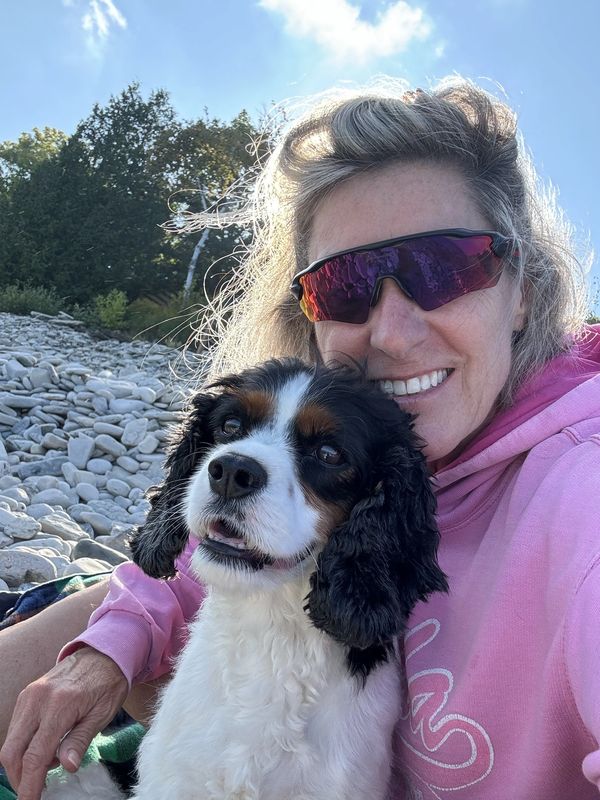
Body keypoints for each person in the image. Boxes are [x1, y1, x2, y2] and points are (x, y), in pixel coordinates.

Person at [1, 75, 599, 800]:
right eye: (345, 284)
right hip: (201, 686)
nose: (392, 331)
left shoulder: (581, 493)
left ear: (524, 288)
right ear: (308, 310)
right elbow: (201, 547)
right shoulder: (352, 438)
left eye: (442, 267)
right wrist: (108, 645)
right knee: (69, 615)